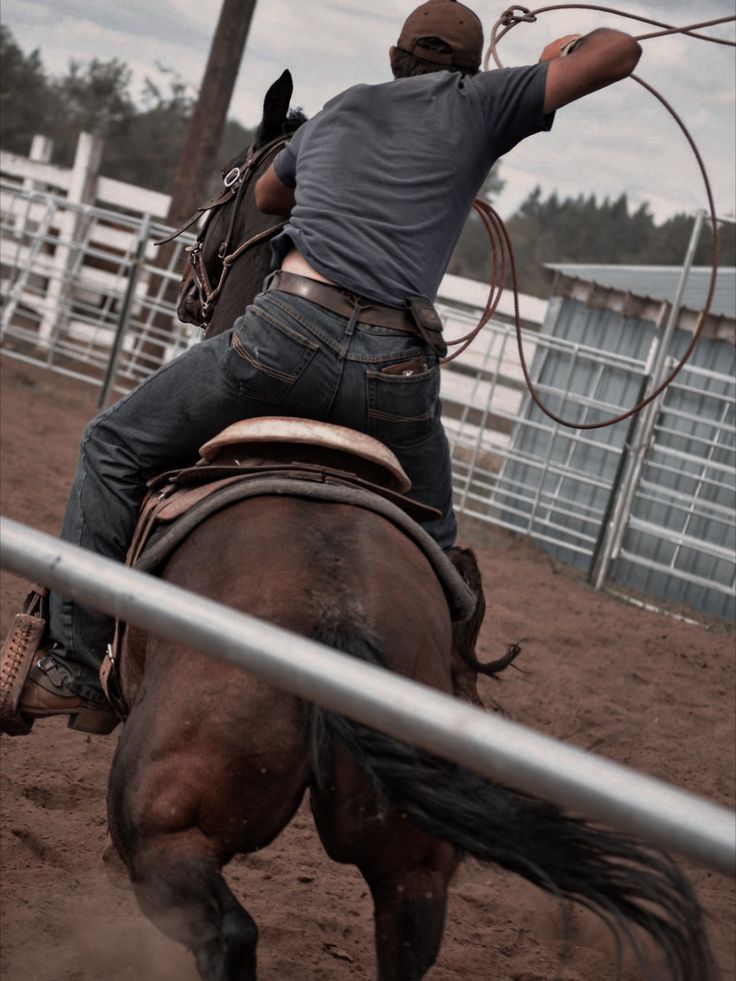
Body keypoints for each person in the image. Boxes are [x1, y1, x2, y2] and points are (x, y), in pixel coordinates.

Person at [0, 0, 641, 734]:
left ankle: (76, 663)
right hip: (393, 377)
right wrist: (544, 64)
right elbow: (617, 50)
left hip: (281, 340)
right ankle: (448, 689)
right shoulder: (484, 103)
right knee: (438, 543)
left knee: (111, 445)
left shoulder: (341, 110)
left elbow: (269, 195)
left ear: (395, 58)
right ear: (467, 69)